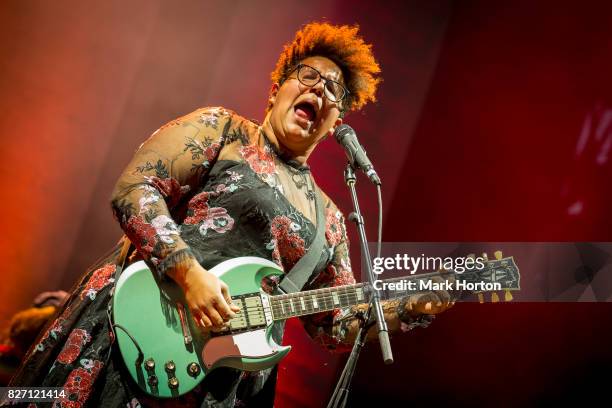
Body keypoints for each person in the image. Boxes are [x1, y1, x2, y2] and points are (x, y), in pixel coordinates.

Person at [5, 22, 453, 407]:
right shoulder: (222, 130)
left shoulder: (331, 221)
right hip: (134, 332)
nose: (319, 87)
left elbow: (333, 326)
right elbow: (136, 189)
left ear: (336, 119)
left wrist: (404, 310)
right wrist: (190, 275)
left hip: (223, 384)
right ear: (277, 89)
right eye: (308, 75)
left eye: (333, 89)